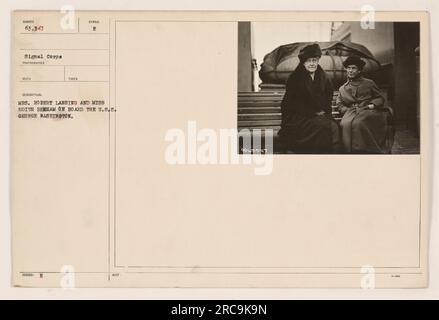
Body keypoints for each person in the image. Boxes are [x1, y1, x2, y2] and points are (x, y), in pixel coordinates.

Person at [279, 43, 341, 154]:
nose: (312, 64)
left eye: (314, 60)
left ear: (318, 61)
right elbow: (291, 104)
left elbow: (328, 97)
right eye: (308, 61)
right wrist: (313, 112)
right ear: (303, 62)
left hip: (319, 114)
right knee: (322, 127)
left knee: (334, 126)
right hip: (298, 117)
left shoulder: (324, 77)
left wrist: (323, 111)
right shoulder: (294, 78)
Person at [337, 56, 392, 153]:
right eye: (348, 68)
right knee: (344, 123)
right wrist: (347, 110)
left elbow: (379, 98)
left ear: (359, 70)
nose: (350, 70)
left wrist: (372, 105)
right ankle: (350, 152)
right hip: (351, 113)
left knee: (359, 123)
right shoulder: (342, 88)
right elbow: (340, 104)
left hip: (369, 110)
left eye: (353, 68)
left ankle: (365, 150)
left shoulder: (369, 83)